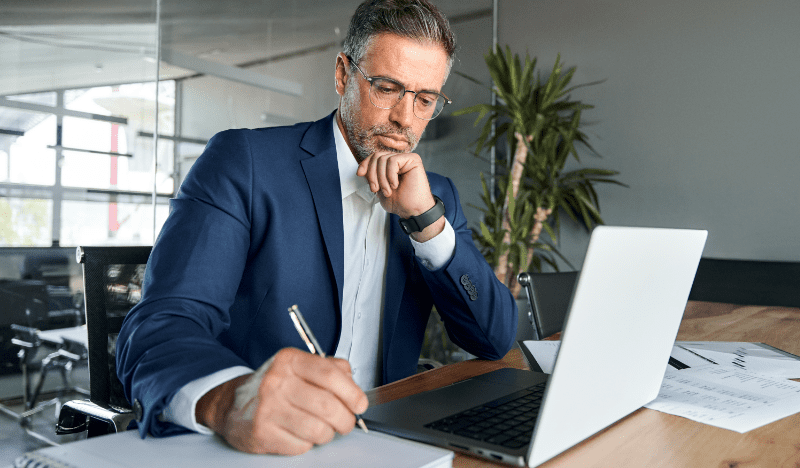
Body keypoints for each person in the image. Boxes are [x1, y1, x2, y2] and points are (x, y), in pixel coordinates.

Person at [116, 0, 517, 456]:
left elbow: (493, 337)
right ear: (344, 74)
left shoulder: (433, 194)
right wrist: (230, 398)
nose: (406, 119)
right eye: (387, 88)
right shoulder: (244, 164)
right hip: (265, 445)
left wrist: (425, 221)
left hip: (386, 442)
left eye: (425, 100)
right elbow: (157, 329)